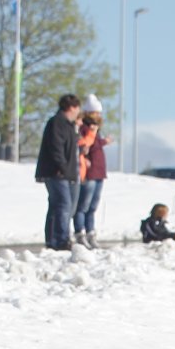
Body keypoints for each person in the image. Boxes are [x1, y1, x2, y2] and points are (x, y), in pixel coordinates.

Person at [34, 93, 82, 251]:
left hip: (63, 172)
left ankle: (52, 239)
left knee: (57, 205)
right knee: (63, 204)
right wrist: (64, 168)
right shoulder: (57, 122)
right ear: (71, 107)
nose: (78, 111)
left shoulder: (68, 125)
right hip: (56, 172)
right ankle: (61, 239)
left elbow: (72, 147)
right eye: (77, 107)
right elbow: (57, 148)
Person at [73, 95, 109, 248]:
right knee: (83, 205)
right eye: (95, 113)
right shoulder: (84, 129)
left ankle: (90, 232)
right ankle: (80, 232)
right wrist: (102, 141)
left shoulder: (95, 130)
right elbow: (87, 145)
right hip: (89, 172)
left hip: (99, 171)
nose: (98, 116)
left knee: (92, 206)